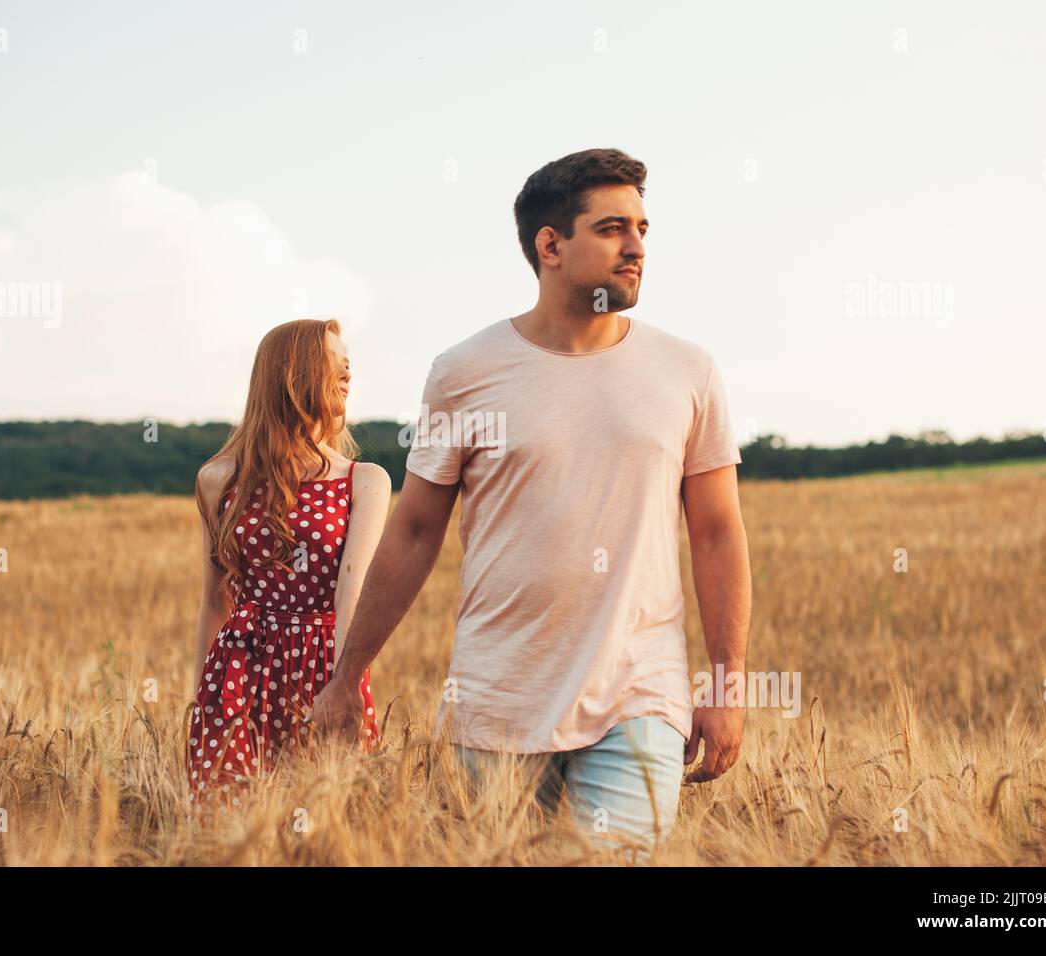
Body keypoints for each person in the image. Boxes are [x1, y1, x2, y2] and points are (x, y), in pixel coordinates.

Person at [308, 148, 752, 857]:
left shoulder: (687, 371)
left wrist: (727, 685)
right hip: (496, 702)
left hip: (640, 695)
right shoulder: (465, 372)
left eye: (642, 228)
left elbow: (718, 533)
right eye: (612, 229)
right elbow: (417, 528)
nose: (636, 247)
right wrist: (347, 675)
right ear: (550, 244)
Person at [187, 318, 390, 811]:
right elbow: (216, 602)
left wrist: (346, 687)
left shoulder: (365, 481)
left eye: (350, 369)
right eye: (335, 367)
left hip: (324, 667)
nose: (347, 378)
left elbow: (353, 591)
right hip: (238, 669)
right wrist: (200, 706)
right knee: (228, 825)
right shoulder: (217, 479)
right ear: (293, 375)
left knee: (334, 822)